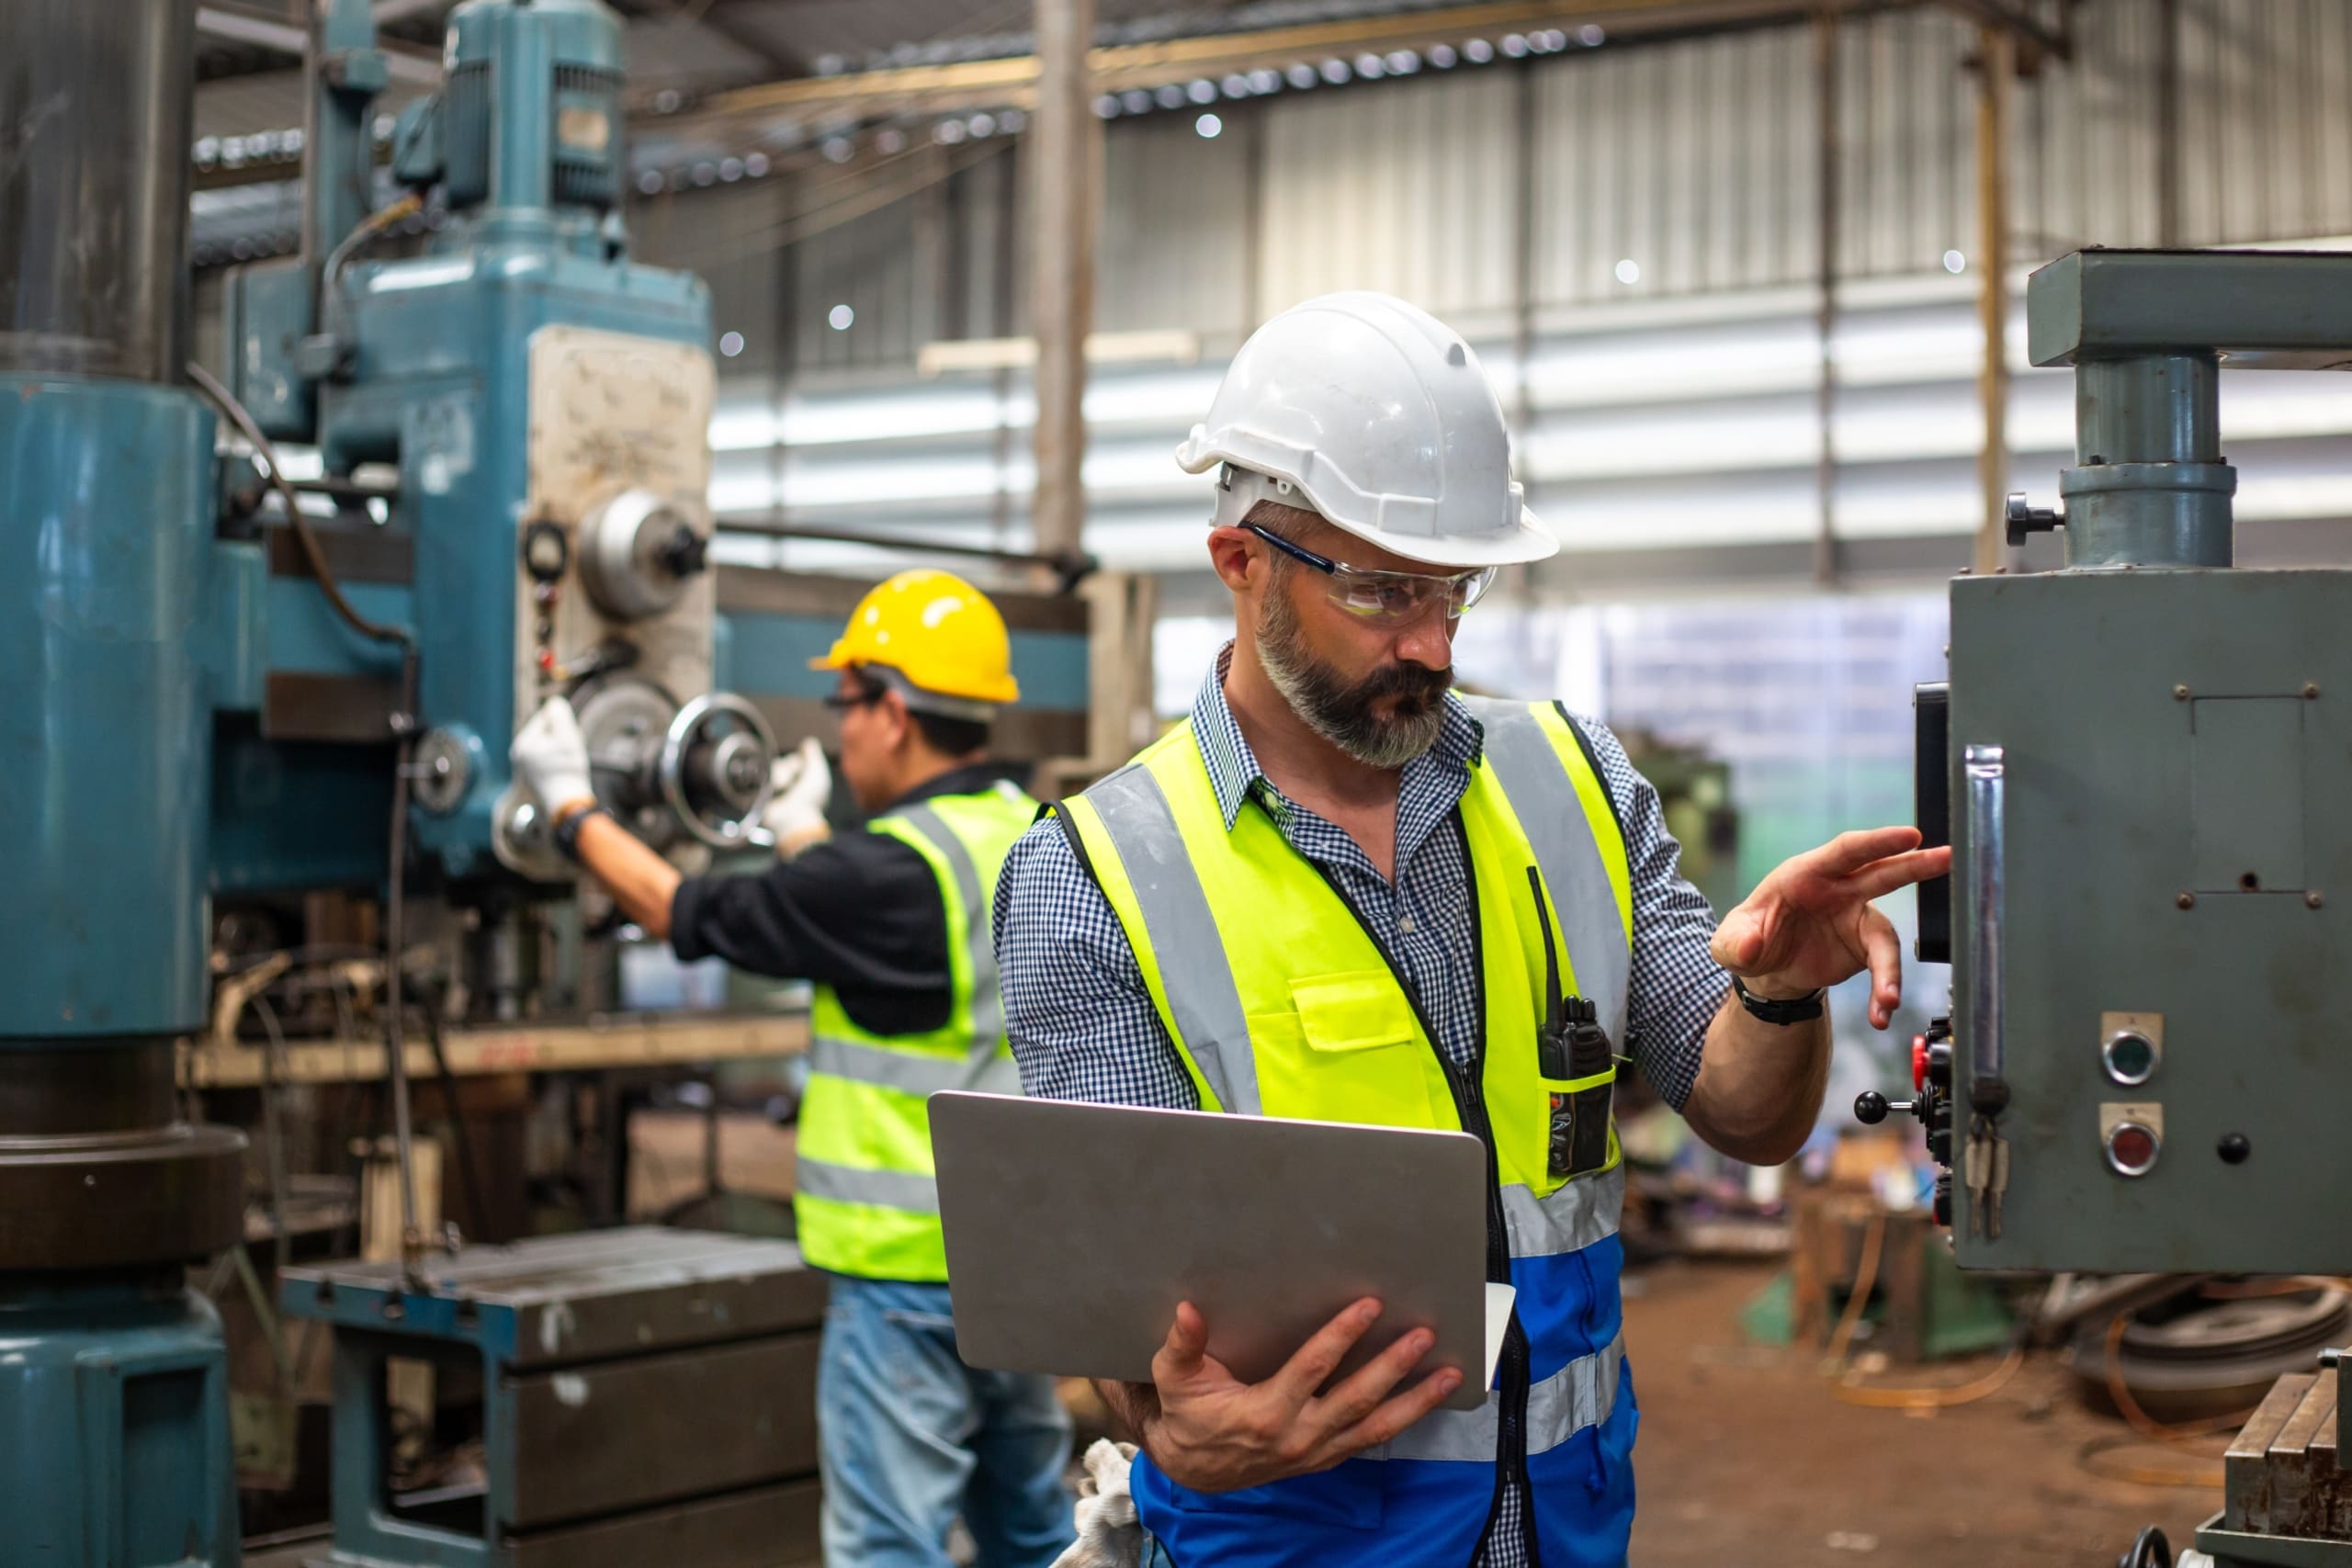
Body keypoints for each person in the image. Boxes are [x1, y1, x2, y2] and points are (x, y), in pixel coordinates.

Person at [992, 293, 1949, 1568]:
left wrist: (1775, 993)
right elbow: (1126, 1318)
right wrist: (1171, 1431)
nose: (1433, 641)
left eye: (1458, 587)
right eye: (1384, 589)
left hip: (1565, 1528)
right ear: (1243, 561)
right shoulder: (1100, 872)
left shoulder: (1574, 781)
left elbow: (1746, 1111)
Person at [510, 568, 1075, 1568]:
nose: (841, 730)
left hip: (901, 1284)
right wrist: (803, 828)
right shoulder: (1034, 837)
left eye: (845, 705)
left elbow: (683, 912)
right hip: (1018, 1272)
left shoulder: (877, 871)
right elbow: (866, 928)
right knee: (1036, 1538)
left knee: (887, 1549)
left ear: (893, 711)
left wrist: (568, 808)